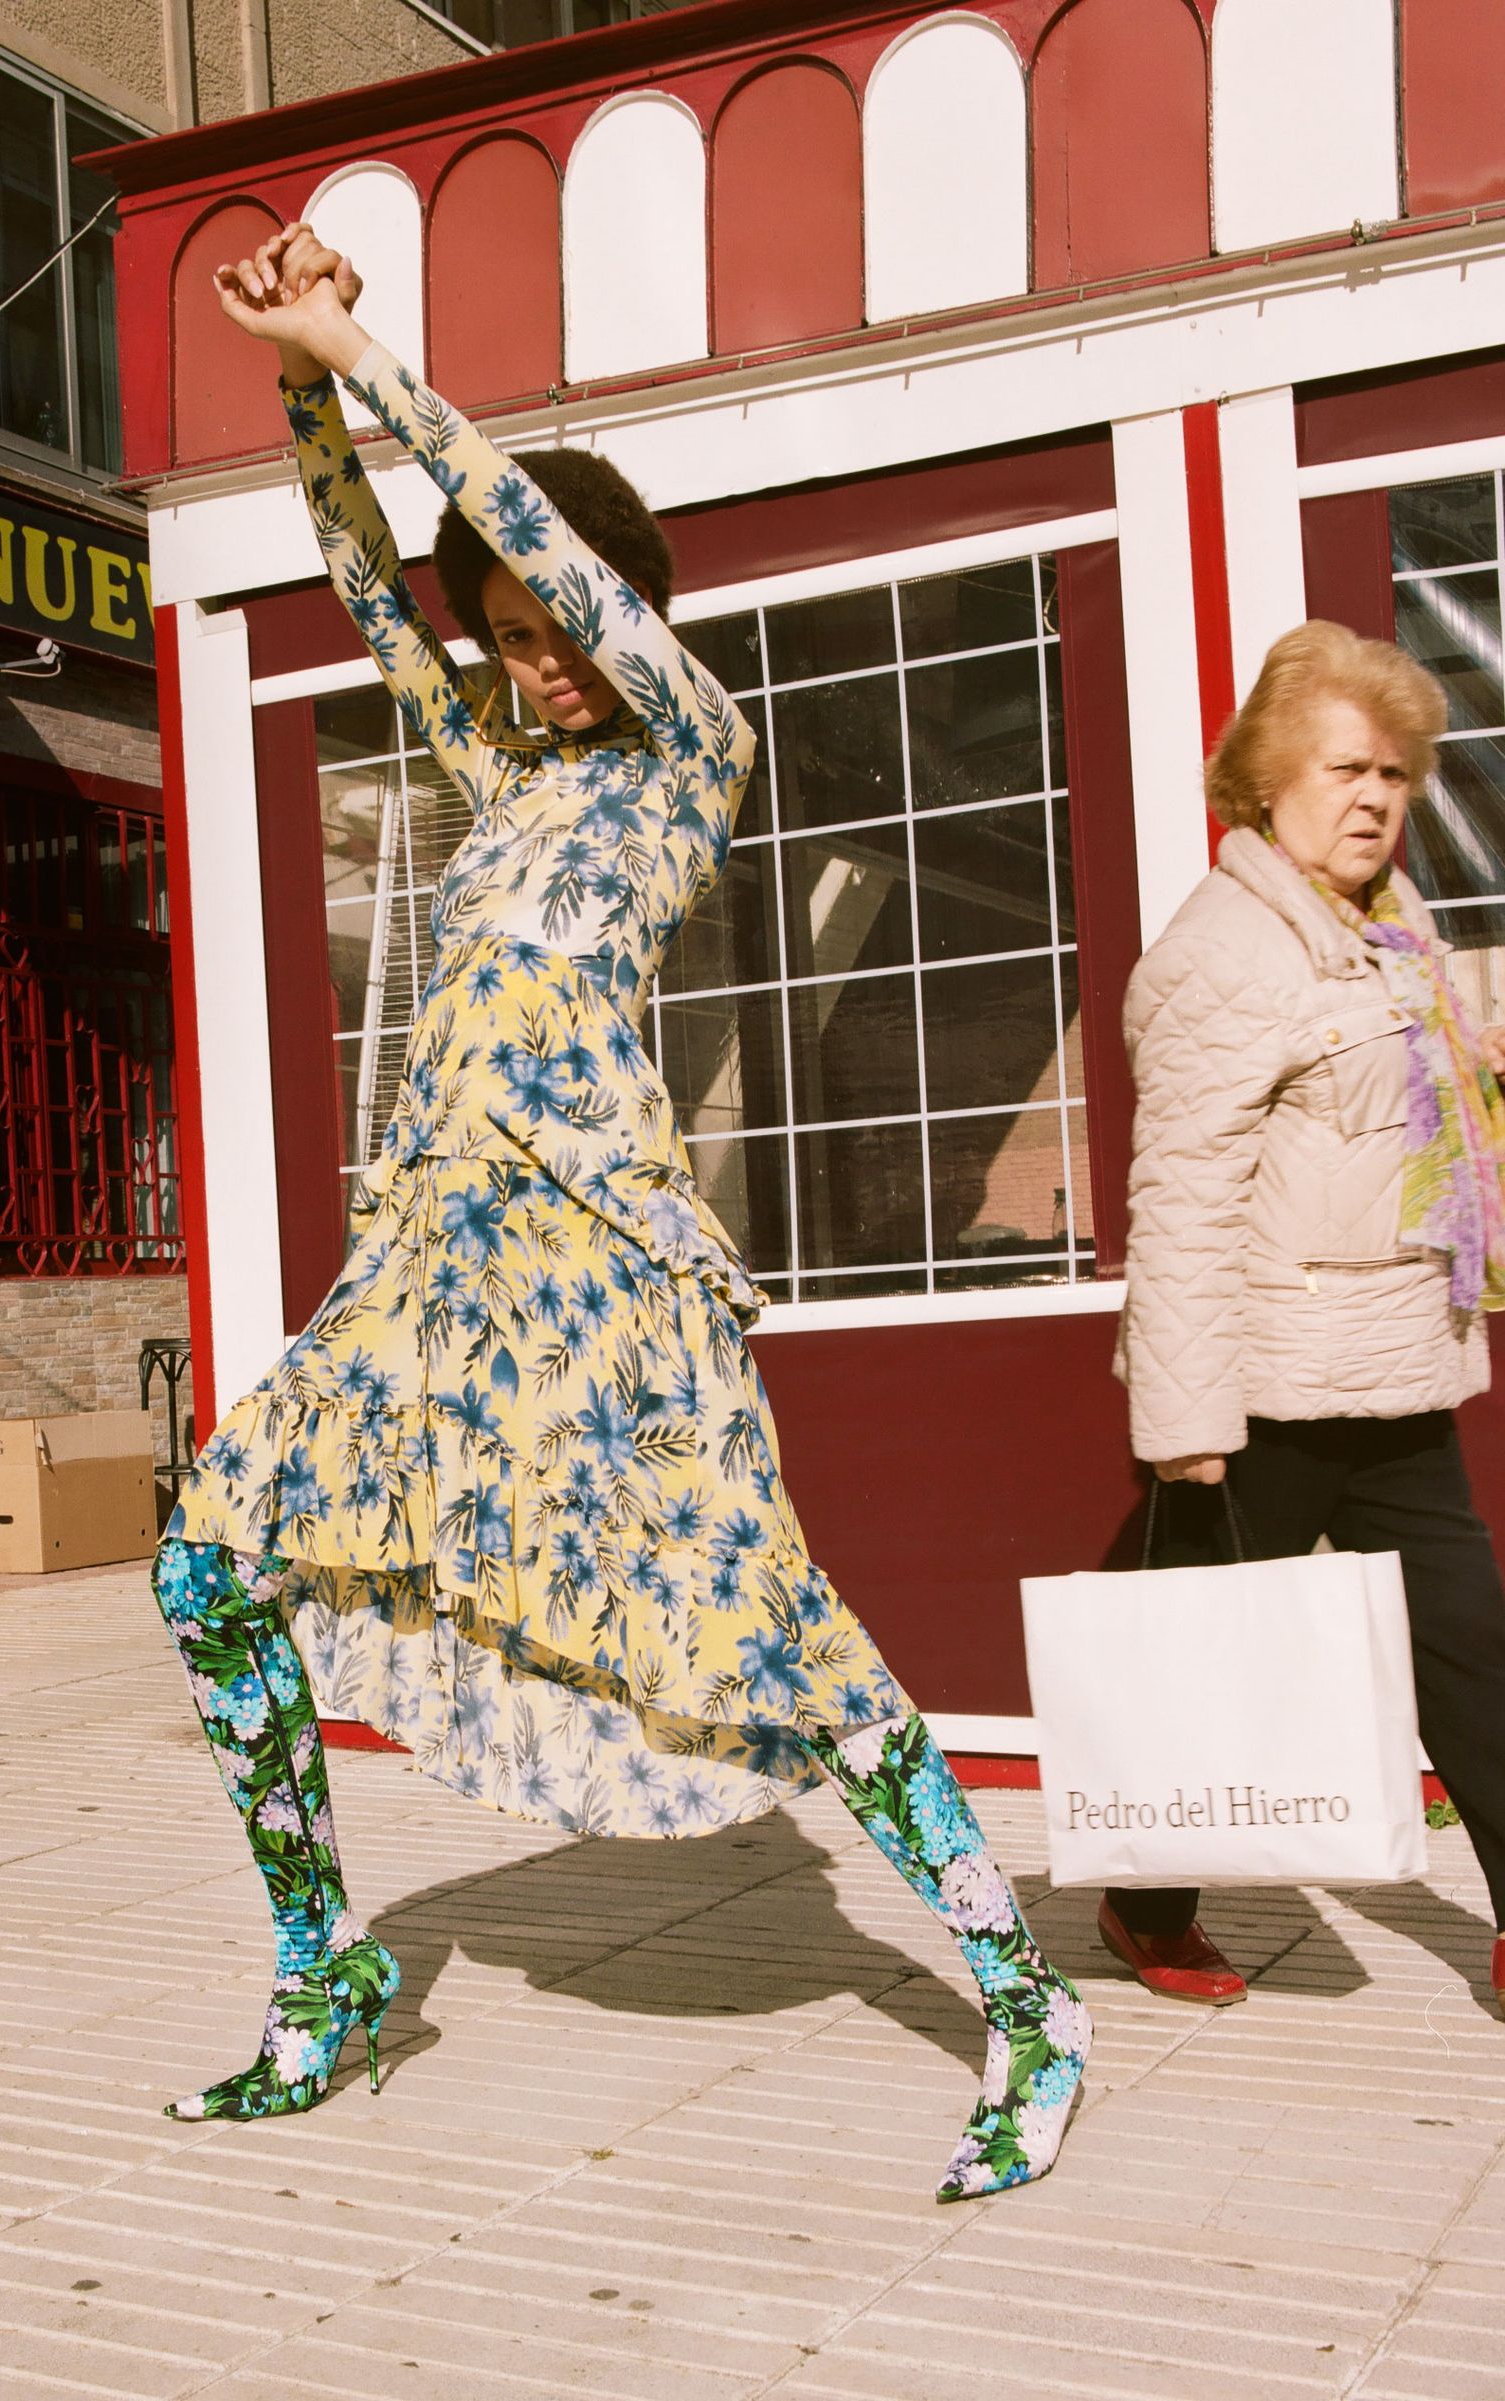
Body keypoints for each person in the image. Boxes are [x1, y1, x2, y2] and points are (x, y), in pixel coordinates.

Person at [147, 223, 1092, 2202]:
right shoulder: (497, 783)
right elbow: (367, 587)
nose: (531, 653)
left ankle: (1026, 1997)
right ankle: (325, 1978)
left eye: (555, 620)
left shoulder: (688, 752)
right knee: (206, 1559)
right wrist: (304, 396)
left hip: (610, 1288)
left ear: (625, 610)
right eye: (505, 630)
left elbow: (550, 558)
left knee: (793, 1660)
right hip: (430, 1271)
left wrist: (380, 355)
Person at [1113, 618, 1505, 2013]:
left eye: (1396, 774)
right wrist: (1183, 1426)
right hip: (1267, 1388)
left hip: (1394, 1370)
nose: (1376, 798)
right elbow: (1183, 1200)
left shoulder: (1391, 933)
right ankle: (1144, 1899)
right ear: (1268, 781)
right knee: (1201, 1668)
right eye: (1346, 768)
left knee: (1472, 1647)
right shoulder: (1229, 954)